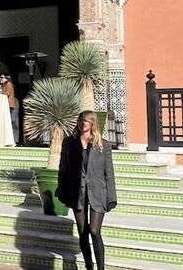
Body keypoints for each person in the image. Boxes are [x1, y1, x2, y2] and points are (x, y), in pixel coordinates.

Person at [57, 111, 117, 270]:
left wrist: (111, 196)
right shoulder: (69, 143)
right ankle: (89, 266)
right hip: (77, 192)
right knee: (83, 232)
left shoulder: (103, 144)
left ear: (93, 124)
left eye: (87, 121)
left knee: (94, 230)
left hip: (98, 192)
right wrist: (61, 189)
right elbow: (63, 168)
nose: (83, 124)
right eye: (81, 121)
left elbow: (109, 173)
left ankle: (101, 268)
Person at [0, 74, 20, 142]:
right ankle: (12, 139)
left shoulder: (9, 84)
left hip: (13, 105)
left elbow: (7, 93)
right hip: (10, 105)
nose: (0, 79)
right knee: (11, 122)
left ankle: (15, 140)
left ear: (6, 78)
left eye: (2, 77)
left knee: (13, 122)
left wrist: (0, 92)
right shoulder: (4, 85)